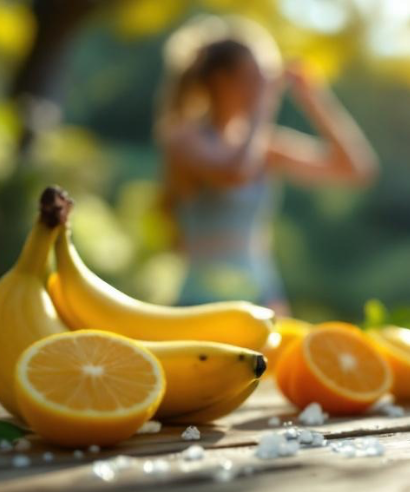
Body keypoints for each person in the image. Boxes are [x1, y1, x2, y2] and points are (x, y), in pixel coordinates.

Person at [156, 17, 378, 315]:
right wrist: (264, 106)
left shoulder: (264, 147)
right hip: (198, 302)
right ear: (222, 80)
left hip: (264, 298)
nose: (262, 87)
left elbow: (357, 170)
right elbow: (234, 173)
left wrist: (313, 99)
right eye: (253, 77)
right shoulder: (184, 138)